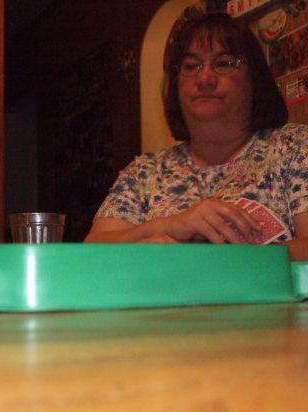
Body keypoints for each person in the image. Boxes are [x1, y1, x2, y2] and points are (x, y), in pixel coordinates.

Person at [84, 11, 308, 261]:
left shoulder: (295, 148)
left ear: (254, 78)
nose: (205, 78)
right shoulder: (144, 173)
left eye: (223, 63)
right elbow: (90, 254)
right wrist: (169, 226)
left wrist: (218, 261)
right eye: (191, 66)